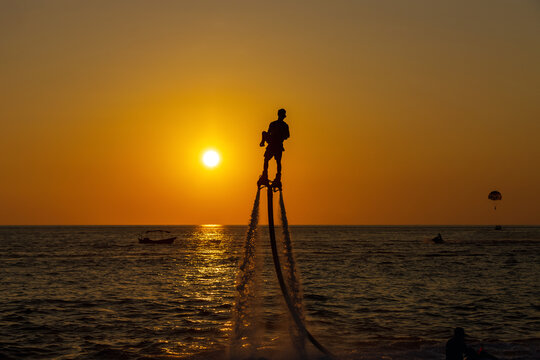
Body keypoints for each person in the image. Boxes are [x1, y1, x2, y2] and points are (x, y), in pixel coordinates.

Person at [258, 108, 290, 188]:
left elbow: (287, 136)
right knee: (271, 161)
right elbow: (286, 136)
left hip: (276, 145)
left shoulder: (281, 125)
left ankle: (273, 177)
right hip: (274, 144)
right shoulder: (278, 124)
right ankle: (267, 176)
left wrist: (279, 136)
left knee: (274, 161)